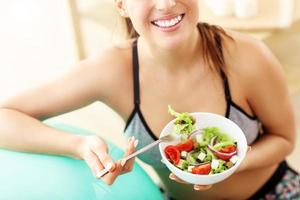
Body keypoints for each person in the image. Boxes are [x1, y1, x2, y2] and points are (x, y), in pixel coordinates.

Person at [0, 0, 299, 199]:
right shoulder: (112, 69)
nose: (167, 4)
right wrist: (80, 146)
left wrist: (235, 163)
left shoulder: (248, 55)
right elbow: (6, 116)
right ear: (121, 4)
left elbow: (284, 138)